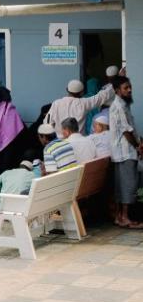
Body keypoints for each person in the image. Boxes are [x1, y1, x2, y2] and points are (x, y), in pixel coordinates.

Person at [108, 75, 143, 228]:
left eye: (130, 87)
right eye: (125, 88)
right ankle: (125, 217)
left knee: (122, 185)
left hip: (123, 152)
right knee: (129, 185)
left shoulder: (123, 105)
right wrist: (137, 146)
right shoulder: (119, 106)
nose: (129, 90)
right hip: (125, 152)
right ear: (117, 90)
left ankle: (119, 217)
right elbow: (126, 131)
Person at [45, 76, 117, 137]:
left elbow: (47, 122)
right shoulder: (84, 103)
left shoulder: (56, 103)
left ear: (67, 90)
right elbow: (102, 96)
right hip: (79, 142)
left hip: (60, 142)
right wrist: (117, 82)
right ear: (82, 92)